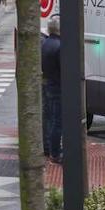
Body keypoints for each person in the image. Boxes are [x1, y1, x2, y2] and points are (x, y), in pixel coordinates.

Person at [41, 16, 63, 163]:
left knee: (49, 118)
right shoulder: (60, 46)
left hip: (48, 84)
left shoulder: (46, 43)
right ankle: (55, 153)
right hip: (58, 86)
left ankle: (49, 148)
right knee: (57, 122)